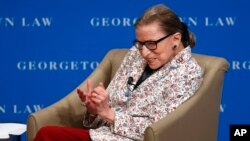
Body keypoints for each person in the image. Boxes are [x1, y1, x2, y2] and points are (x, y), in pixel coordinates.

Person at [34, 4, 203, 141]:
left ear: (176, 38)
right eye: (140, 43)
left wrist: (108, 113)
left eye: (151, 43)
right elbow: (111, 107)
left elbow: (159, 130)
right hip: (103, 135)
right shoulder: (135, 54)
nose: (144, 52)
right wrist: (95, 110)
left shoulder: (188, 73)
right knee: (47, 133)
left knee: (47, 135)